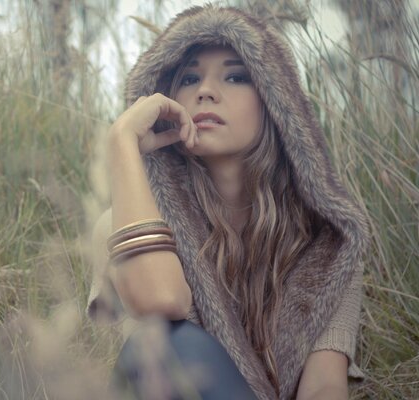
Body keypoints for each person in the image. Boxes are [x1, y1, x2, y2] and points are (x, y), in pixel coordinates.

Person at [85, 4, 368, 400]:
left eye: (236, 76)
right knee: (170, 345)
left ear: (275, 101)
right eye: (189, 77)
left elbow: (324, 386)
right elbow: (160, 303)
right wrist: (122, 146)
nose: (205, 90)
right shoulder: (121, 226)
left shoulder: (328, 243)